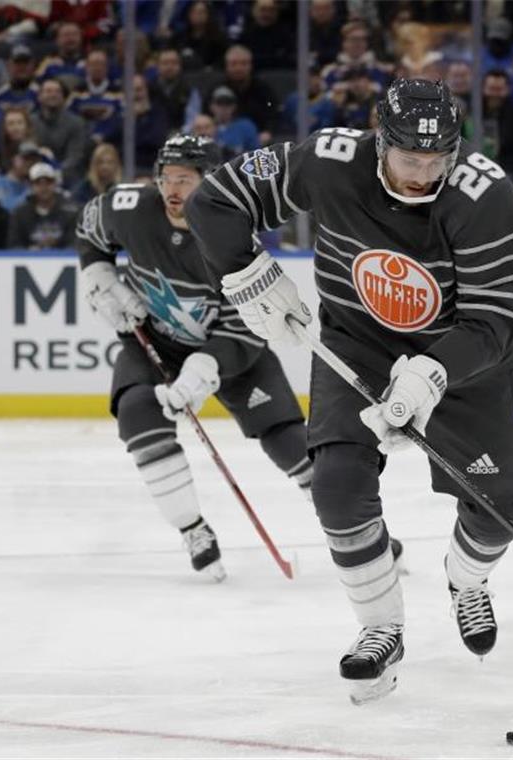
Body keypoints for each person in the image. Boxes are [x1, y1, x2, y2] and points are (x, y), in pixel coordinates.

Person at [185, 79, 513, 704]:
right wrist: (244, 273)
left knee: (500, 505)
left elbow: (495, 323)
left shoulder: (487, 198)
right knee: (337, 486)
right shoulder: (330, 160)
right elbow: (215, 200)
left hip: (462, 363)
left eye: (437, 161)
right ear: (381, 141)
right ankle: (381, 628)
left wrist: (430, 373)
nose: (424, 174)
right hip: (357, 347)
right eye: (410, 160)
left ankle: (466, 580)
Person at [73, 135, 315, 580]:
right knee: (137, 414)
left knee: (288, 440)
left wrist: (204, 368)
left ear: (209, 182)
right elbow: (89, 229)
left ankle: (350, 528)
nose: (171, 189)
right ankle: (193, 530)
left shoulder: (233, 237)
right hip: (155, 342)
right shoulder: (128, 206)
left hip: (234, 353)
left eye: (184, 179)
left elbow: (247, 325)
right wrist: (99, 273)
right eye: (165, 177)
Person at [7, 162, 79, 249]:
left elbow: (74, 243)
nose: (43, 187)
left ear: (55, 184)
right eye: (38, 183)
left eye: (48, 182)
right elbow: (14, 244)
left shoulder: (70, 212)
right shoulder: (20, 214)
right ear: (31, 186)